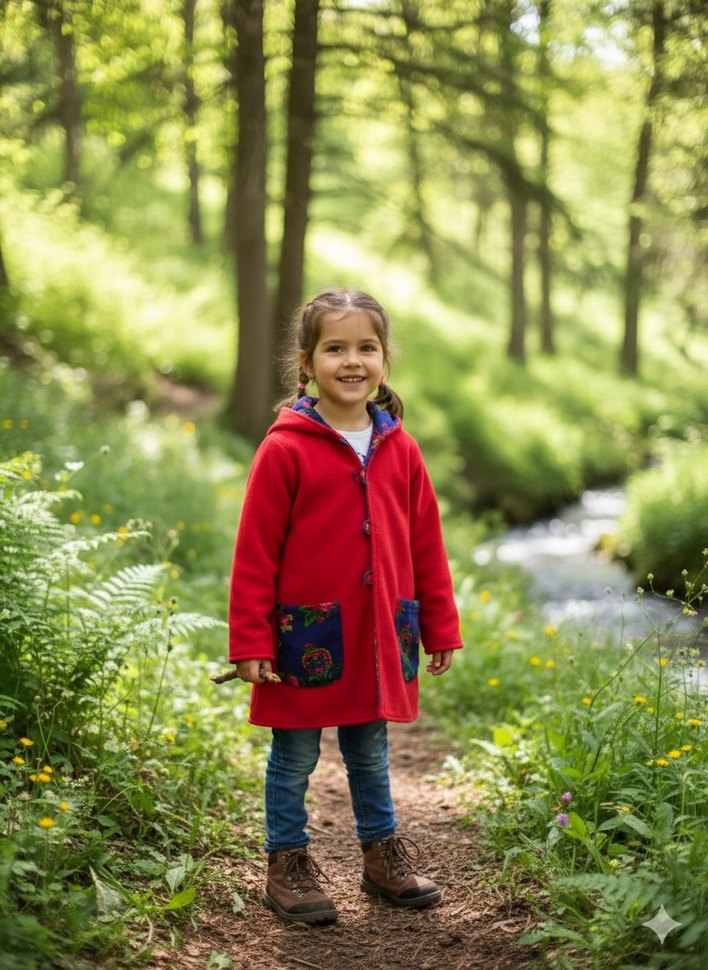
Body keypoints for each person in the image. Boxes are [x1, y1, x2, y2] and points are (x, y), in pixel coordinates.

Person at [228, 288, 463, 925]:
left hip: (380, 633)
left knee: (370, 748)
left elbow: (426, 545)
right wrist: (250, 640)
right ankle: (287, 863)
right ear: (306, 363)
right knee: (296, 753)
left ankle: (382, 855)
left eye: (367, 347)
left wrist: (440, 625)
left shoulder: (401, 449)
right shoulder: (286, 448)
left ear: (386, 360)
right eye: (335, 348)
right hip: (306, 635)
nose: (352, 360)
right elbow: (255, 552)